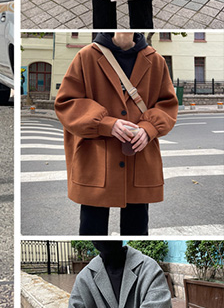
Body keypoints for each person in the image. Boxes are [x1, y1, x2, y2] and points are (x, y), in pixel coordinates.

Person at [54, 32, 178, 235]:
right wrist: (105, 123)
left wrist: (148, 128)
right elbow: (66, 102)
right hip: (96, 159)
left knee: (137, 230)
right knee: (92, 229)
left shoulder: (155, 60)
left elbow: (168, 104)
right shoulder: (87, 56)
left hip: (138, 154)